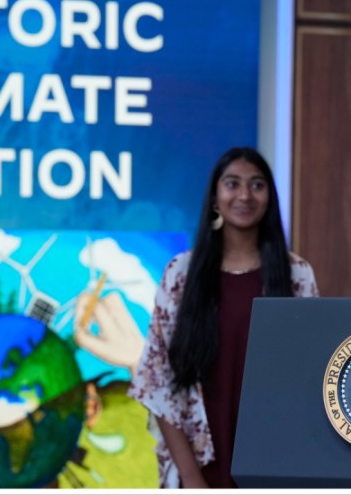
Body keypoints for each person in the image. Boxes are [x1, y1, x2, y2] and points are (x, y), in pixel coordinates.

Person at [126, 147, 319, 488]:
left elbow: (311, 379)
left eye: (257, 185)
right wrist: (191, 479)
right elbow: (159, 382)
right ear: (215, 198)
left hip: (274, 466)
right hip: (200, 468)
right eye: (233, 184)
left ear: (269, 198)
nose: (245, 194)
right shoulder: (180, 274)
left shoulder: (297, 274)